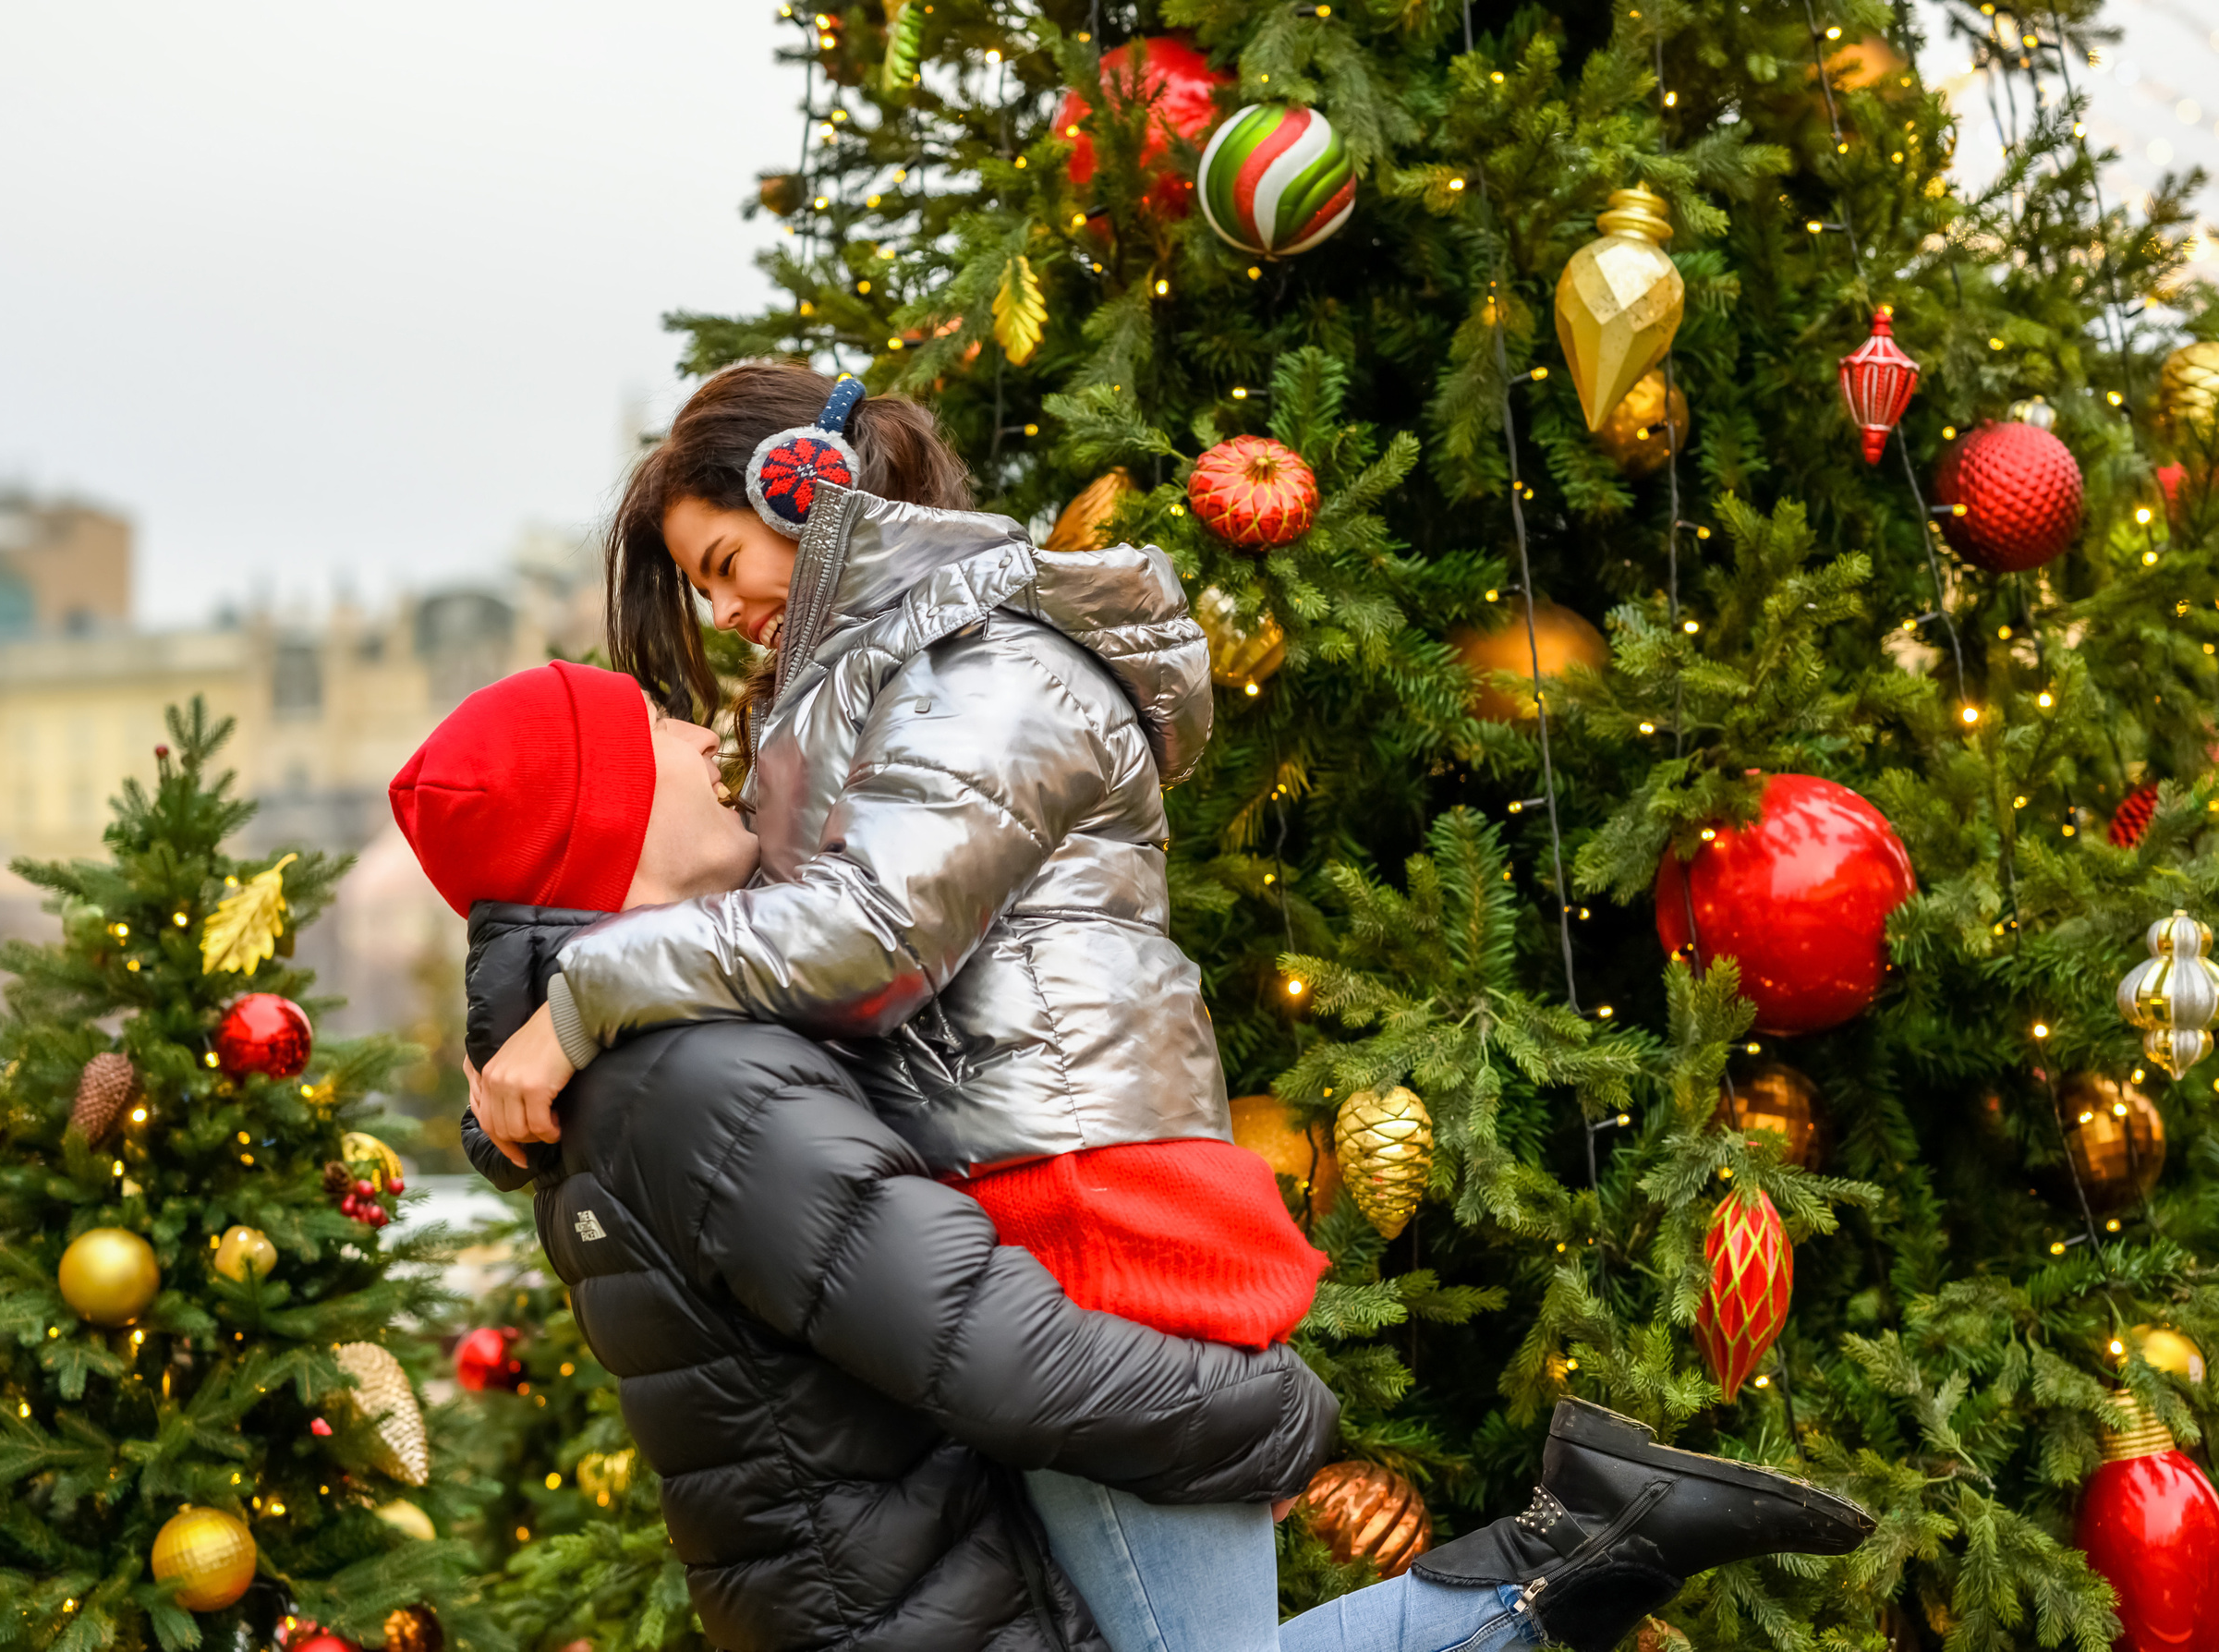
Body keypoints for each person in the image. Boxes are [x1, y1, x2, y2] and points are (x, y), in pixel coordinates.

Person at [458, 369, 1876, 1652]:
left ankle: (1581, 1553)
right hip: (1011, 1196)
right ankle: (1587, 1545)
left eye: (722, 564)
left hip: (1088, 1211)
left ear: (805, 489)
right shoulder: (869, 692)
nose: (720, 613)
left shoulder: (986, 672)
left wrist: (582, 992)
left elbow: (868, 937)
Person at [392, 661, 1342, 1652]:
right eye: (655, 726)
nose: (701, 736)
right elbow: (994, 1352)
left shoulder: (630, 1075)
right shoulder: (700, 1085)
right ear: (601, 821)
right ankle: (1513, 1586)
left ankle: (1513, 1583)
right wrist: (1278, 1414)